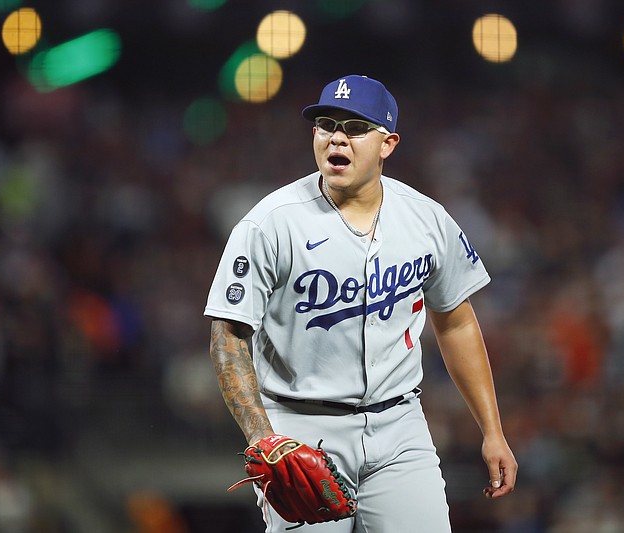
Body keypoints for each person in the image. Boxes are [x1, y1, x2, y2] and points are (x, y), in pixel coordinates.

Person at [204, 74, 517, 532]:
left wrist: (492, 430)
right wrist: (263, 437)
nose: (336, 137)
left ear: (387, 143)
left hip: (399, 426)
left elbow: (456, 322)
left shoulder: (426, 219)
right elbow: (228, 336)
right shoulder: (270, 224)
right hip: (300, 429)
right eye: (325, 124)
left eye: (354, 127)